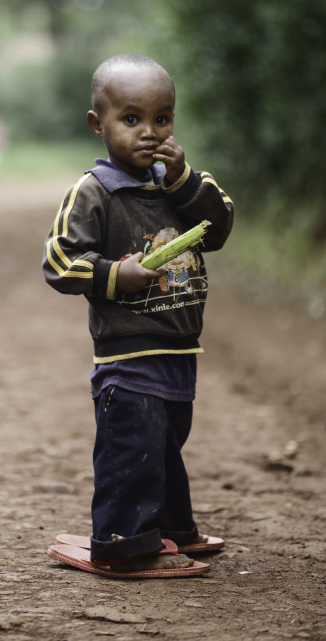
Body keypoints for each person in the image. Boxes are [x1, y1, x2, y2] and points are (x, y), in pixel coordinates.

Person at [42, 54, 234, 574]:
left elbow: (219, 228)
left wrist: (183, 182)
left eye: (162, 118)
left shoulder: (181, 184)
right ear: (96, 124)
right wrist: (113, 273)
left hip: (179, 348)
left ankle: (171, 528)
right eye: (131, 119)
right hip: (127, 354)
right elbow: (59, 262)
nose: (148, 132)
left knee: (166, 444)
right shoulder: (94, 191)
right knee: (133, 450)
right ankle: (123, 543)